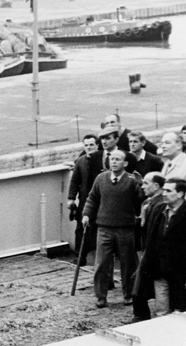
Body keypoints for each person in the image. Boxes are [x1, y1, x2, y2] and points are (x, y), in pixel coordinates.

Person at [83, 149, 143, 308]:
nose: (114, 162)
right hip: (104, 228)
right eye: (112, 159)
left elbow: (140, 202)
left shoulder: (131, 180)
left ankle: (129, 295)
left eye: (118, 159)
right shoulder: (101, 178)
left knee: (128, 264)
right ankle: (101, 297)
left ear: (125, 163)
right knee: (101, 263)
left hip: (125, 229)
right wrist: (86, 214)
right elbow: (92, 198)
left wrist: (140, 185)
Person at [141, 179, 186, 314]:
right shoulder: (159, 210)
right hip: (160, 272)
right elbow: (152, 240)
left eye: (168, 191)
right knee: (161, 311)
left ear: (180, 194)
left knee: (182, 313)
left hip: (182, 275)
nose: (164, 194)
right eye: (164, 190)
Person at [131, 172, 166, 321]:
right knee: (137, 284)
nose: (142, 186)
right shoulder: (148, 203)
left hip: (153, 255)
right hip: (148, 252)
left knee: (139, 286)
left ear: (156, 186)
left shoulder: (160, 205)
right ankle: (141, 316)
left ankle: (141, 317)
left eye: (146, 183)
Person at [67, 134, 103, 265]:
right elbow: (75, 181)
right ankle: (80, 256)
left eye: (91, 145)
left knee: (98, 228)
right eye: (86, 145)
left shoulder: (103, 160)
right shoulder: (81, 161)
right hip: (84, 200)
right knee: (81, 228)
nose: (89, 147)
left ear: (97, 145)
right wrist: (71, 198)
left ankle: (97, 256)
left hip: (100, 200)